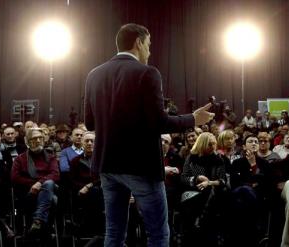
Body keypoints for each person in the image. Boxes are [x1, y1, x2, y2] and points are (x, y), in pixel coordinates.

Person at [84, 23, 214, 247]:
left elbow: (90, 123)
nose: (149, 51)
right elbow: (159, 122)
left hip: (107, 165)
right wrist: (193, 119)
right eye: (149, 45)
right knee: (158, 234)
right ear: (138, 42)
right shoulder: (147, 73)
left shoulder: (94, 75)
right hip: (141, 167)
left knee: (114, 234)